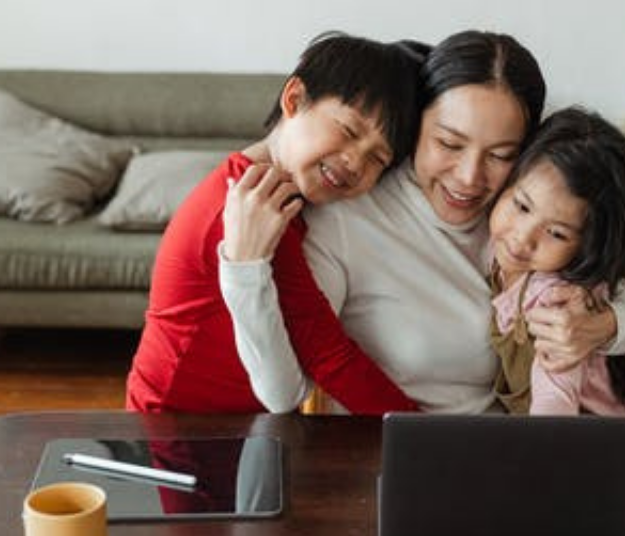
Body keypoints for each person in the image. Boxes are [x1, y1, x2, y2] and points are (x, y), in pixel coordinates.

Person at [221, 31, 625, 414]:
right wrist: (244, 270)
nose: (469, 178)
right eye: (449, 143)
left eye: (501, 155)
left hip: (503, 458)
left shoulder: (518, 216)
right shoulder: (347, 218)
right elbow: (284, 392)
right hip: (386, 464)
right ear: (414, 127)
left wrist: (604, 327)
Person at [126, 32, 426, 413]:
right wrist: (428, 440)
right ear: (294, 99)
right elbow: (325, 362)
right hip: (175, 432)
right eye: (349, 131)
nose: (354, 161)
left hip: (224, 427)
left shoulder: (282, 194)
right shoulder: (250, 208)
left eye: (377, 159)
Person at [487, 107, 625, 416]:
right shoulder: (498, 255)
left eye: (556, 233)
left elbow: (556, 400)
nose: (522, 238)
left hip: (595, 441)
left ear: (588, 247)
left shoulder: (555, 300)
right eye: (522, 206)